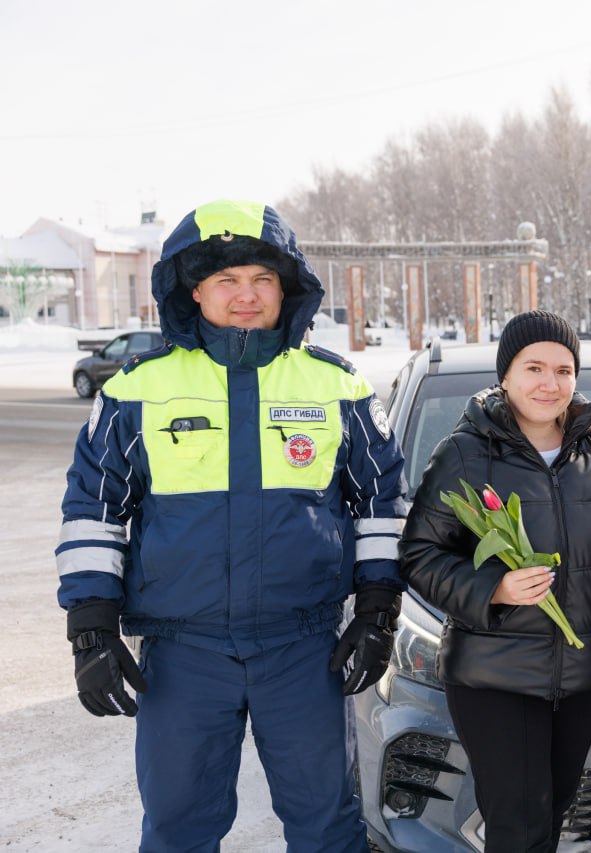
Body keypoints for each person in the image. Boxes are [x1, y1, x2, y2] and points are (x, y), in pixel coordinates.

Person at [56, 199, 408, 851]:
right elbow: (93, 510)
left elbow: (382, 504)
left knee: (328, 826)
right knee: (177, 828)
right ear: (195, 289)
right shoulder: (138, 389)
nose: (246, 295)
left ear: (286, 286)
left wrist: (378, 611)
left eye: (262, 278)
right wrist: (90, 626)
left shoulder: (337, 386)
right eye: (227, 279)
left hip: (303, 648)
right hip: (183, 653)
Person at [399, 310, 591, 853]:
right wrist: (493, 589)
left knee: (550, 815)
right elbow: (418, 555)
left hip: (585, 676)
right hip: (494, 674)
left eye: (563, 370)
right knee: (519, 823)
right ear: (505, 375)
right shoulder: (465, 453)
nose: (550, 383)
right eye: (534, 368)